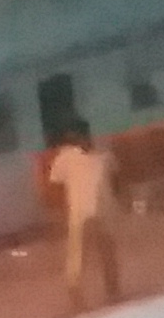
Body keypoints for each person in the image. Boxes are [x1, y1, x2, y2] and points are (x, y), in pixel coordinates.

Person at [44, 127, 119, 306]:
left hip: (96, 211)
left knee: (101, 250)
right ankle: (77, 292)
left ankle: (111, 288)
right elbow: (55, 185)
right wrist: (60, 210)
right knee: (81, 253)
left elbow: (115, 178)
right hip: (83, 212)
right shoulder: (68, 157)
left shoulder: (102, 154)